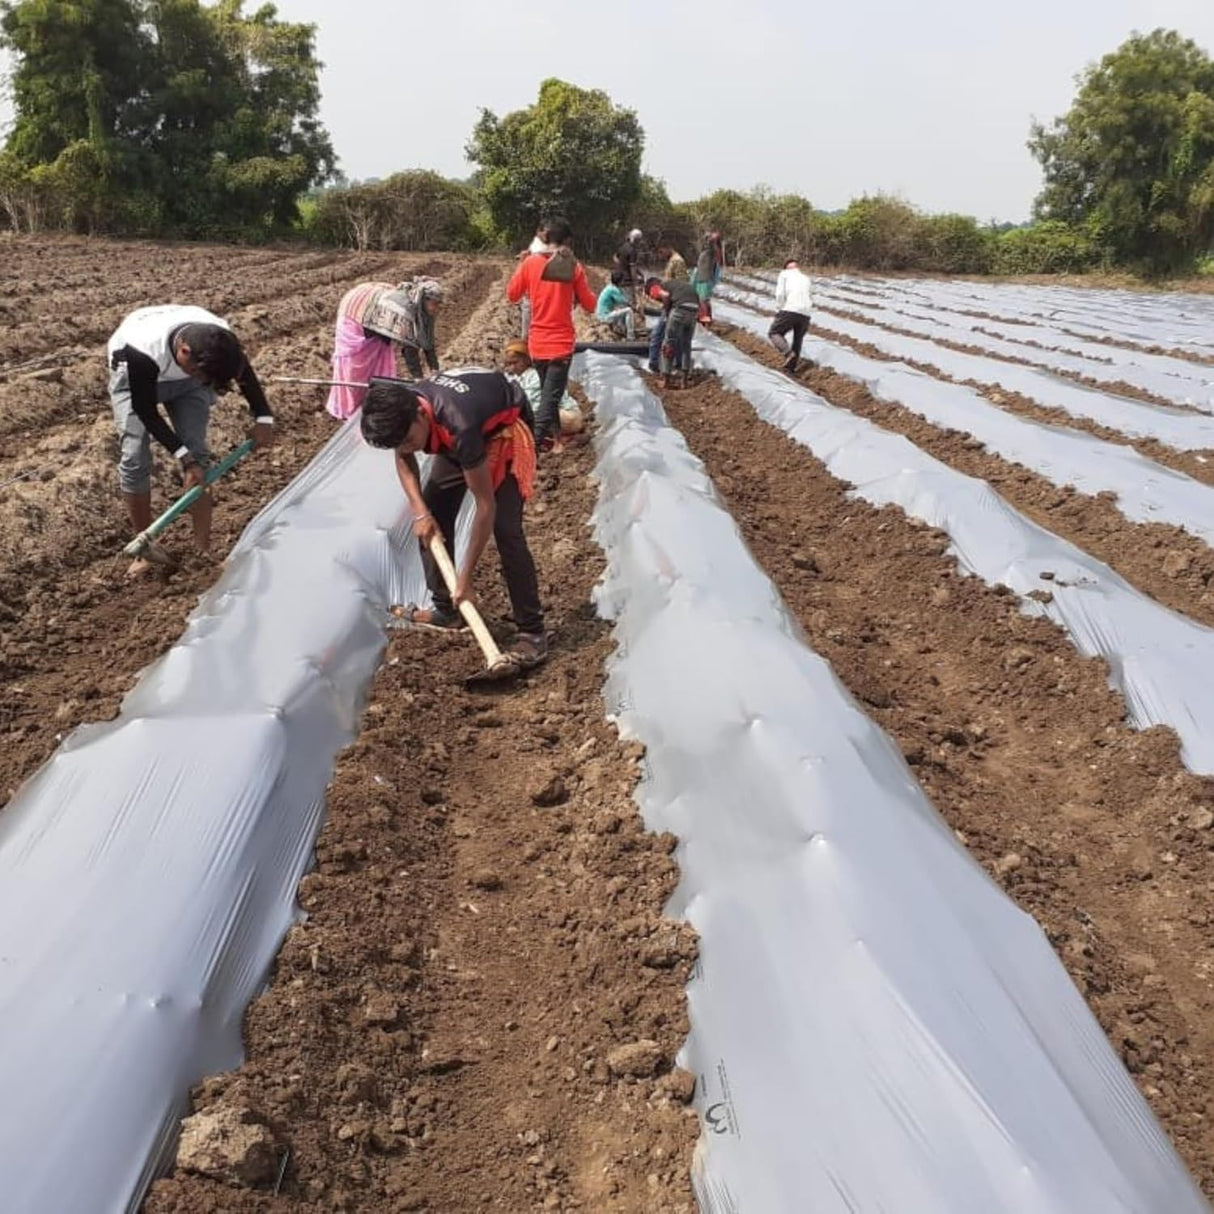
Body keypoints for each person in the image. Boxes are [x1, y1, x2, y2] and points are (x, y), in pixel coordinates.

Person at [359, 369, 547, 669]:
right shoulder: (405, 411)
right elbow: (403, 457)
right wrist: (420, 512)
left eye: (409, 439)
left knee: (505, 529)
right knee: (432, 516)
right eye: (400, 443)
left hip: (502, 432)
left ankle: (533, 632)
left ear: (421, 415)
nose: (408, 448)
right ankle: (447, 610)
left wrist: (466, 578)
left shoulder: (459, 424)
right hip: (454, 433)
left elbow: (485, 506)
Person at [107, 304, 275, 577]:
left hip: (187, 384)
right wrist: (183, 459)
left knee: (200, 457)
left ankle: (203, 553)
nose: (204, 379)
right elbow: (146, 411)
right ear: (183, 351)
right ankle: (145, 552)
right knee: (135, 457)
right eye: (200, 373)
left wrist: (263, 418)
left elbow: (244, 373)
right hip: (135, 382)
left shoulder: (219, 341)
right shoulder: (142, 348)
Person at [505, 216, 597, 454]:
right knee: (550, 399)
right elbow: (590, 305)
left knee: (550, 396)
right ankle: (532, 447)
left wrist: (522, 262)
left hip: (537, 344)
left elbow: (512, 294)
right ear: (566, 241)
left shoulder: (530, 264)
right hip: (561, 344)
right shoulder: (573, 268)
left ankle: (556, 442)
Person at [326, 278, 443, 420]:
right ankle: (350, 410)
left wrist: (435, 370)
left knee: (377, 365)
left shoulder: (423, 311)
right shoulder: (405, 311)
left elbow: (427, 341)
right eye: (434, 304)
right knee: (355, 369)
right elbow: (409, 349)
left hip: (374, 321)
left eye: (439, 304)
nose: (437, 308)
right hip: (354, 313)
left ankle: (373, 403)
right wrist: (418, 379)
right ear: (424, 300)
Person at [502, 339, 585, 440]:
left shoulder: (535, 377)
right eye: (509, 364)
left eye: (515, 363)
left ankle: (551, 438)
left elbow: (530, 405)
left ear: (526, 360)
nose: (512, 367)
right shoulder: (517, 377)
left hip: (569, 416)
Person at [645, 276, 700, 388]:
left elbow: (665, 297)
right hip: (694, 310)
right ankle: (684, 381)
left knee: (669, 344)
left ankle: (666, 380)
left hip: (679, 309)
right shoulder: (677, 284)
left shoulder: (661, 286)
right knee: (686, 345)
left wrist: (666, 314)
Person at [769, 258, 814, 374]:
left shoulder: (784, 274)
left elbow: (780, 294)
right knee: (797, 340)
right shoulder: (806, 278)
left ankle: (788, 353)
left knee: (774, 332)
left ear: (787, 268)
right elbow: (810, 297)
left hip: (790, 308)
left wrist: (779, 308)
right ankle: (790, 369)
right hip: (806, 313)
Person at [690, 230, 724, 324]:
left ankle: (705, 318)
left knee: (703, 299)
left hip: (706, 277)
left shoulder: (713, 251)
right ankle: (703, 316)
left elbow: (718, 255)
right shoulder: (705, 251)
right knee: (700, 299)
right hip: (701, 276)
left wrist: (714, 239)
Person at [595, 270, 636, 339]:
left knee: (622, 309)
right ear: (620, 281)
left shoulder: (610, 287)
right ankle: (630, 336)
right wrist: (634, 307)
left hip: (601, 315)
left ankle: (622, 329)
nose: (624, 282)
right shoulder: (614, 290)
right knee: (629, 310)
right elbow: (625, 301)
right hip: (605, 316)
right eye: (623, 280)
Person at [613, 228, 644, 301]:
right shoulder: (632, 251)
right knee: (629, 304)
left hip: (618, 279)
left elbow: (615, 258)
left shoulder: (623, 247)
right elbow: (632, 268)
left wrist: (621, 266)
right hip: (627, 282)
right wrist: (636, 284)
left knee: (621, 303)